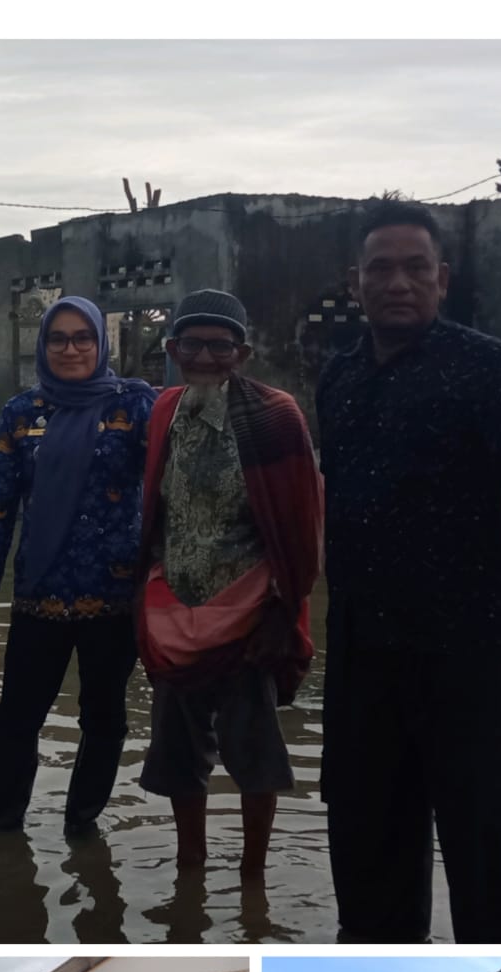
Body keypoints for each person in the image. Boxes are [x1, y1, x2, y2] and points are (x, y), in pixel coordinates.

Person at [317, 201, 501, 944]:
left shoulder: (487, 368)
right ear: (354, 282)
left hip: (471, 653)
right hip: (364, 660)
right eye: (381, 269)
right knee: (368, 862)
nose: (399, 283)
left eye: (416, 268)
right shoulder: (339, 380)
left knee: (493, 863)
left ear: (442, 279)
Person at [136, 290, 322, 874]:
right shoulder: (166, 410)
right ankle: (190, 863)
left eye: (221, 346)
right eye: (193, 344)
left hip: (248, 620)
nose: (207, 357)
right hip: (175, 617)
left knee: (255, 757)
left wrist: (280, 612)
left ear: (242, 353)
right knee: (176, 757)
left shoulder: (274, 416)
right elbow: (156, 512)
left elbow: (301, 528)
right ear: (173, 350)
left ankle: (252, 877)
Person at [0, 296, 156, 835]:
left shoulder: (134, 409)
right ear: (43, 346)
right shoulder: (20, 414)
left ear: (101, 344)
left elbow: (175, 472)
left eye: (82, 338)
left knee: (104, 718)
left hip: (114, 597)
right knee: (16, 719)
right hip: (39, 595)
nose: (70, 349)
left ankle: (82, 825)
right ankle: (1, 831)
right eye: (58, 339)